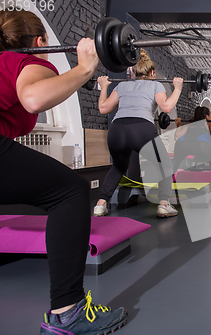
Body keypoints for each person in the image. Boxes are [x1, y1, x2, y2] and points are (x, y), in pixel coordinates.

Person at [0, 9, 127, 334]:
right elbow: (32, 98)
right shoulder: (25, 61)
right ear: (40, 42)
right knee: (69, 191)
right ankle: (68, 312)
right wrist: (85, 68)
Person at [95, 49, 183, 218]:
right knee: (164, 166)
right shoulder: (155, 84)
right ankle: (164, 204)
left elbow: (103, 108)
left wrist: (104, 86)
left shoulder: (122, 85)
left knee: (118, 167)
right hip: (140, 128)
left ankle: (100, 203)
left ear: (133, 72)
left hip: (117, 129)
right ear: (152, 72)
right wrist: (177, 88)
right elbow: (166, 107)